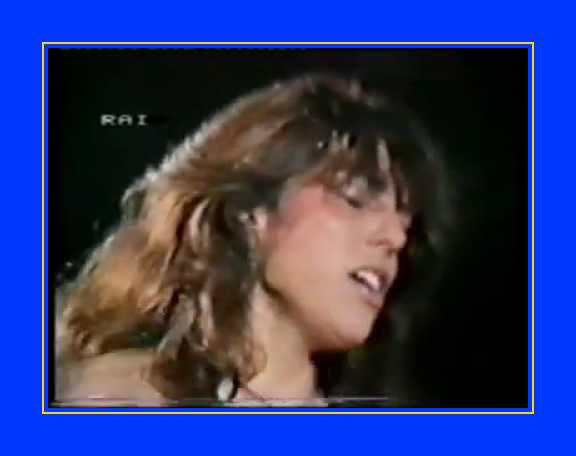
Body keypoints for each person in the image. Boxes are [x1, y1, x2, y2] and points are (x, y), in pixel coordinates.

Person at [55, 74, 449, 407]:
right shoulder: (110, 399)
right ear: (250, 213)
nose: (396, 238)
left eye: (407, 223)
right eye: (354, 199)